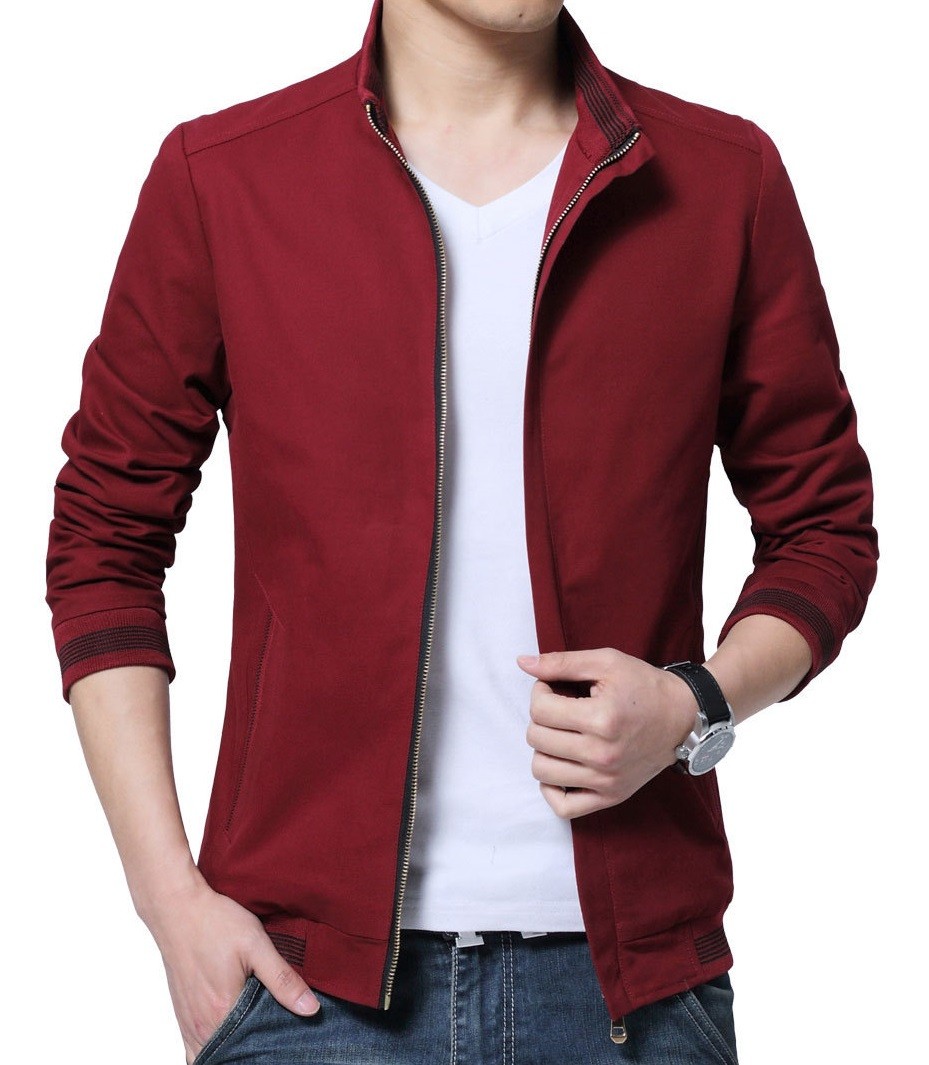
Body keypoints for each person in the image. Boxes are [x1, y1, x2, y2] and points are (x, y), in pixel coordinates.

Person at [44, 0, 878, 1061]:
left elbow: (823, 526)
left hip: (630, 987)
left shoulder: (721, 179)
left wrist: (692, 701)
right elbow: (104, 539)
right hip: (306, 990)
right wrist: (170, 902)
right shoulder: (226, 178)